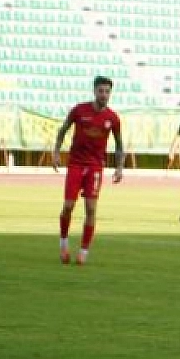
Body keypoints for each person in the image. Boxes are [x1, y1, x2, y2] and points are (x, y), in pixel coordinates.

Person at [53, 76, 124, 265]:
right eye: (100, 91)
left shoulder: (113, 118)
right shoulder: (79, 110)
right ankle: (63, 242)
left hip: (95, 167)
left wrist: (119, 167)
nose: (104, 94)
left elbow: (119, 145)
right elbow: (63, 129)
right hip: (76, 164)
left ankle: (84, 251)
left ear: (110, 93)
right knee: (68, 206)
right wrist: (56, 152)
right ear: (94, 91)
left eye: (107, 91)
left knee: (91, 209)